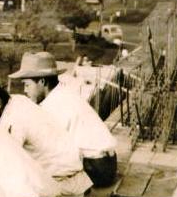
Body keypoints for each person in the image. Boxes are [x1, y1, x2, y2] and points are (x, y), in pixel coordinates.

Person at [0, 67, 93, 197]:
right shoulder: (17, 102)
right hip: (71, 188)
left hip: (64, 196)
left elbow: (1, 168)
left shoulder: (13, 121)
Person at [10, 51, 118, 188]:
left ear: (42, 82)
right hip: (107, 162)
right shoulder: (63, 93)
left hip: (96, 168)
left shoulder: (53, 105)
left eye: (27, 85)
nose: (25, 90)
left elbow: (49, 149)